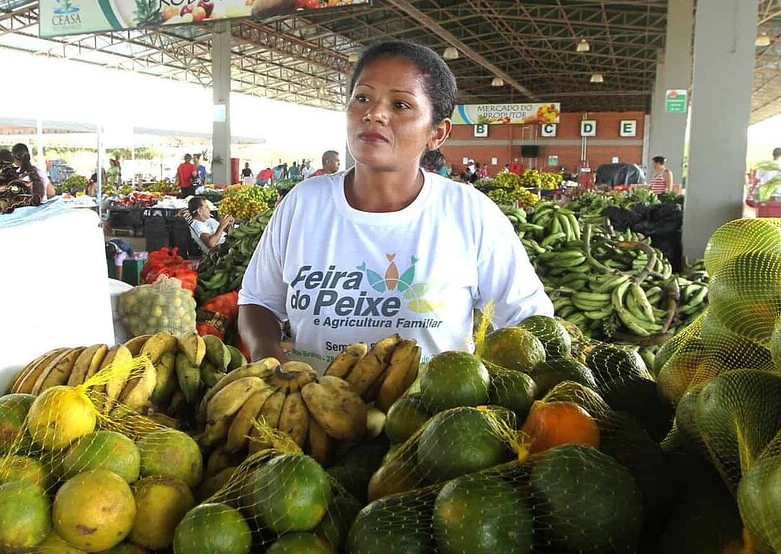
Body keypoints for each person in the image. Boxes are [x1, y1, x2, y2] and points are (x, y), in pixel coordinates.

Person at [237, 40, 553, 371]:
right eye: (362, 98)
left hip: (432, 417)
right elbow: (258, 300)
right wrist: (268, 359)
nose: (374, 113)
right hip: (313, 412)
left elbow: (528, 320)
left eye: (401, 105)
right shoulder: (303, 204)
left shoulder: (470, 214)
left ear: (437, 133)